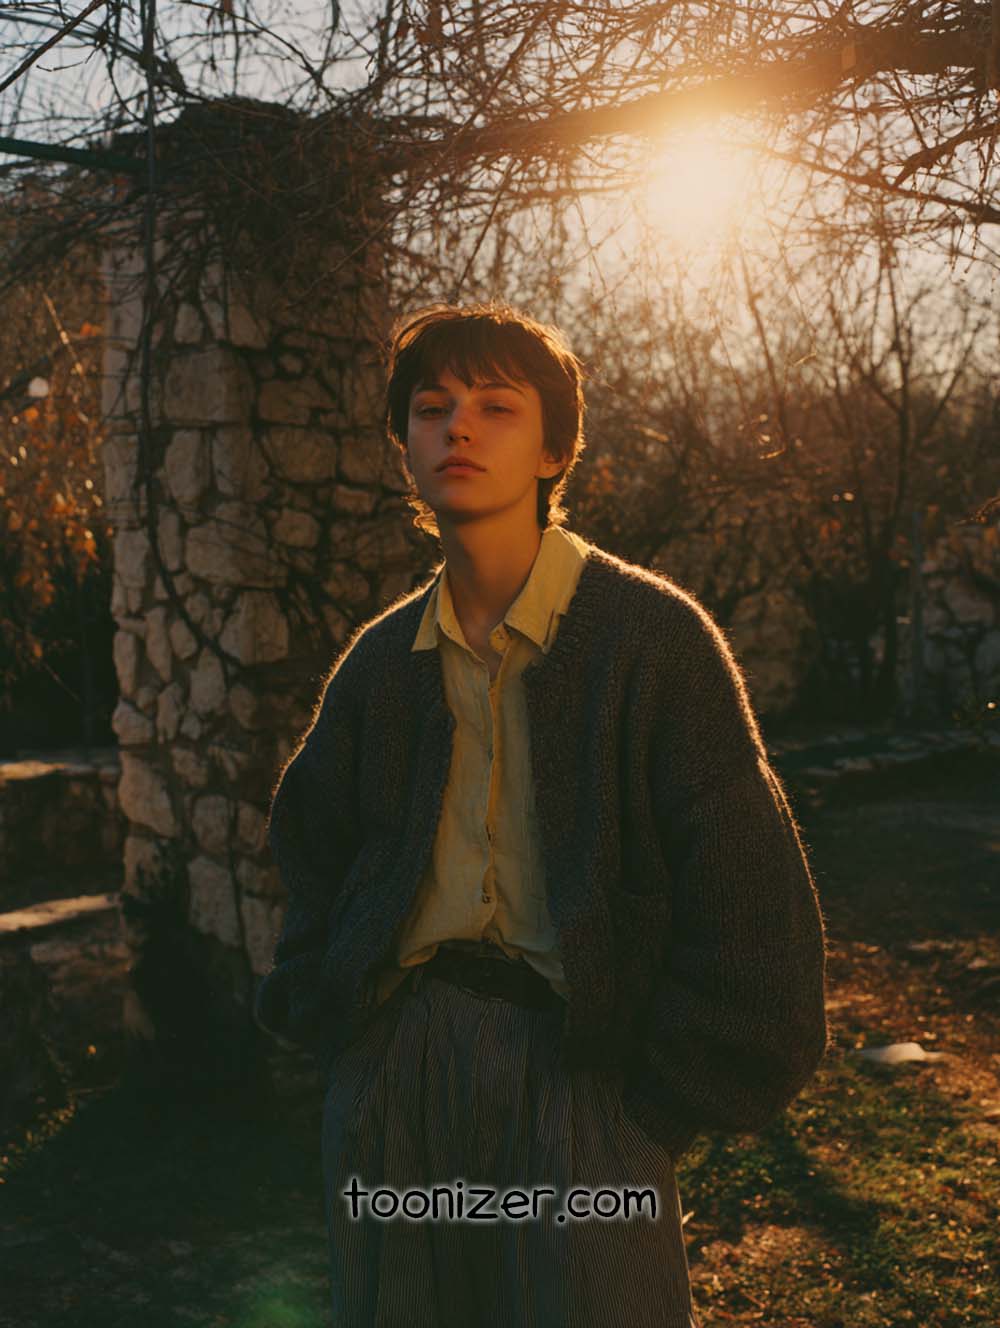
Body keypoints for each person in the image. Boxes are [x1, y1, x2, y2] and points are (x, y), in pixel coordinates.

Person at [254, 301, 830, 1328]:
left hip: (586, 1079)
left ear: (555, 448)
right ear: (404, 448)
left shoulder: (652, 640)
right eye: (431, 408)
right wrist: (342, 1033)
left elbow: (750, 891)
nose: (458, 429)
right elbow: (308, 846)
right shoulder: (381, 663)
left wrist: (651, 1107)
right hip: (398, 1078)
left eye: (495, 406)